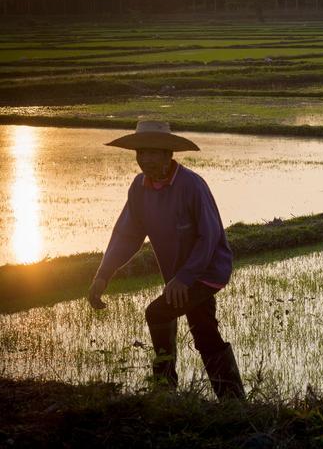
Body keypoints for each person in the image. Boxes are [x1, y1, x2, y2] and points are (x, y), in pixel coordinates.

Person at [87, 120, 245, 399]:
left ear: (168, 155)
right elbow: (126, 234)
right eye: (140, 153)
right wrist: (103, 275)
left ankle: (164, 388)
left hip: (207, 271)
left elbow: (208, 237)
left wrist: (184, 278)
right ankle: (233, 401)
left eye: (152, 153)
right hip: (178, 278)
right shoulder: (139, 189)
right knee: (205, 332)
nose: (144, 159)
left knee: (157, 312)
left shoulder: (192, 186)